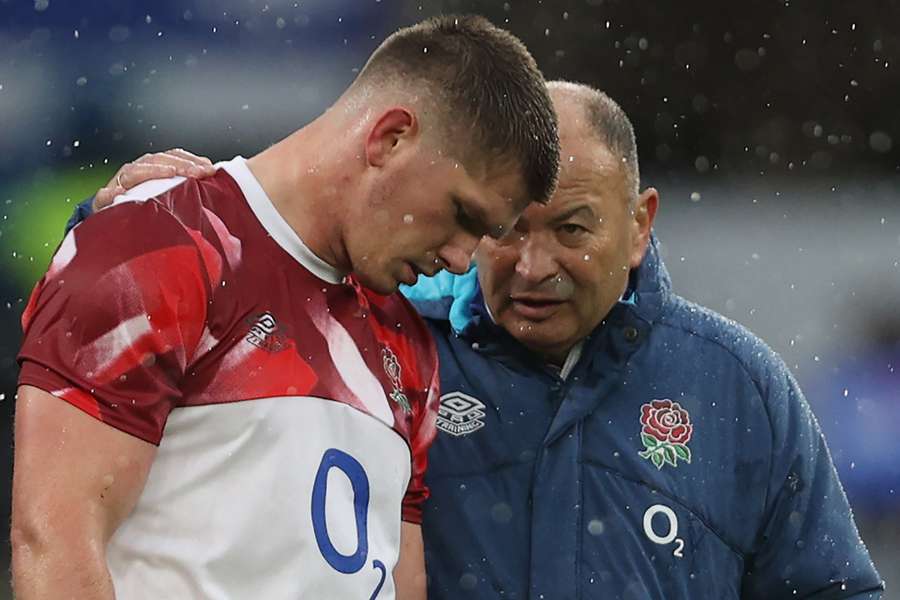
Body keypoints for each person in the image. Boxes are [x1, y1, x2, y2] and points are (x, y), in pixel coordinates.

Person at [70, 83, 885, 599]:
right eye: (509, 229)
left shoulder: (737, 385)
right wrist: (122, 227)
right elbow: (204, 303)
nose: (535, 265)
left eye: (572, 229)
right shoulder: (383, 341)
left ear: (640, 226)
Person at [12, 15, 560, 600]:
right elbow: (55, 542)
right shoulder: (162, 247)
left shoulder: (406, 340)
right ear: (390, 138)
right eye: (462, 215)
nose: (460, 259)